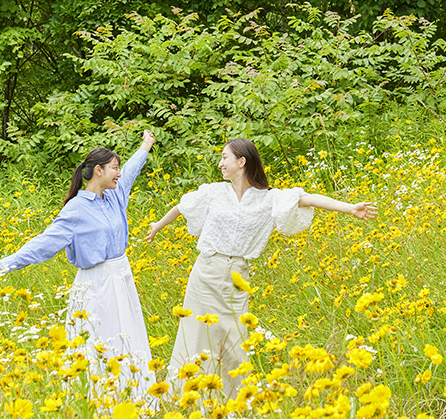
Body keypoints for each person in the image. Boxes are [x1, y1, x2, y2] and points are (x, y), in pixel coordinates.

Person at [147, 138, 376, 401]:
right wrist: (157, 225)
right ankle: (185, 395)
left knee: (234, 339)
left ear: (241, 162)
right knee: (196, 334)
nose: (220, 163)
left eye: (225, 158)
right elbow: (182, 206)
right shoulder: (213, 192)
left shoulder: (268, 199)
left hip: (236, 278)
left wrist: (349, 208)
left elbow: (306, 199)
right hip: (206, 272)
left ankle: (230, 400)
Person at [0, 130, 156, 400]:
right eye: (114, 168)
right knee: (99, 341)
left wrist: (146, 145)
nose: (119, 173)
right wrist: (7, 264)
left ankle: (134, 394)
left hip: (121, 277)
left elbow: (133, 169)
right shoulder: (75, 210)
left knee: (127, 335)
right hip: (96, 284)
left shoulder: (115, 195)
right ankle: (98, 399)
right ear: (98, 171)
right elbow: (44, 244)